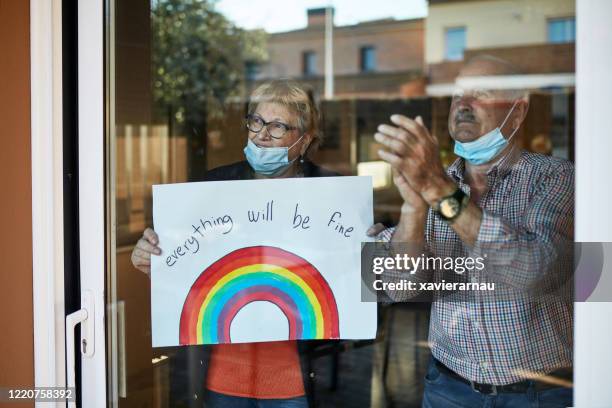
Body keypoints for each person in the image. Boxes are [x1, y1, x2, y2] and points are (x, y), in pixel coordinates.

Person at [131, 79, 378, 408]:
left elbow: (364, 282)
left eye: (278, 127)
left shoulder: (336, 195)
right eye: (257, 121)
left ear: (303, 142)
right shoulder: (211, 187)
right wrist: (153, 260)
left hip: (298, 378)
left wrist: (373, 252)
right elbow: (185, 270)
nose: (262, 134)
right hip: (223, 373)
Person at [374, 55, 574, 407]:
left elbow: (533, 271)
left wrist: (438, 192)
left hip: (539, 392)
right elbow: (396, 288)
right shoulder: (436, 183)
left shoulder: (555, 177)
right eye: (457, 95)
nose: (463, 105)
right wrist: (413, 209)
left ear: (517, 111)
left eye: (480, 94)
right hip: (447, 387)